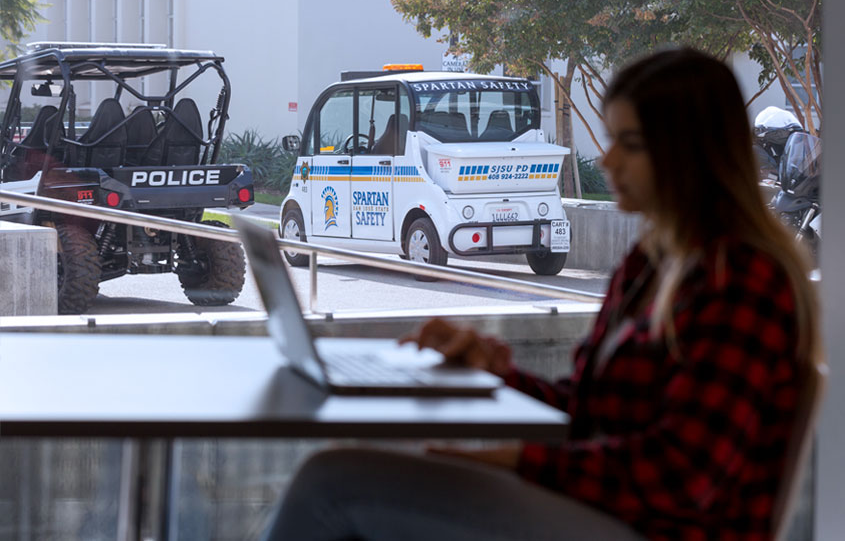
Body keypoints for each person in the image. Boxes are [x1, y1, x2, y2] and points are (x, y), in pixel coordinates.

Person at [261, 48, 820, 541]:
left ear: (691, 152)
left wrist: (521, 461)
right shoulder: (654, 264)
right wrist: (495, 369)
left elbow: (683, 474)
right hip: (608, 510)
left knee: (333, 484)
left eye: (631, 144)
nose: (607, 161)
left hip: (656, 527)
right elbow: (588, 409)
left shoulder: (743, 280)